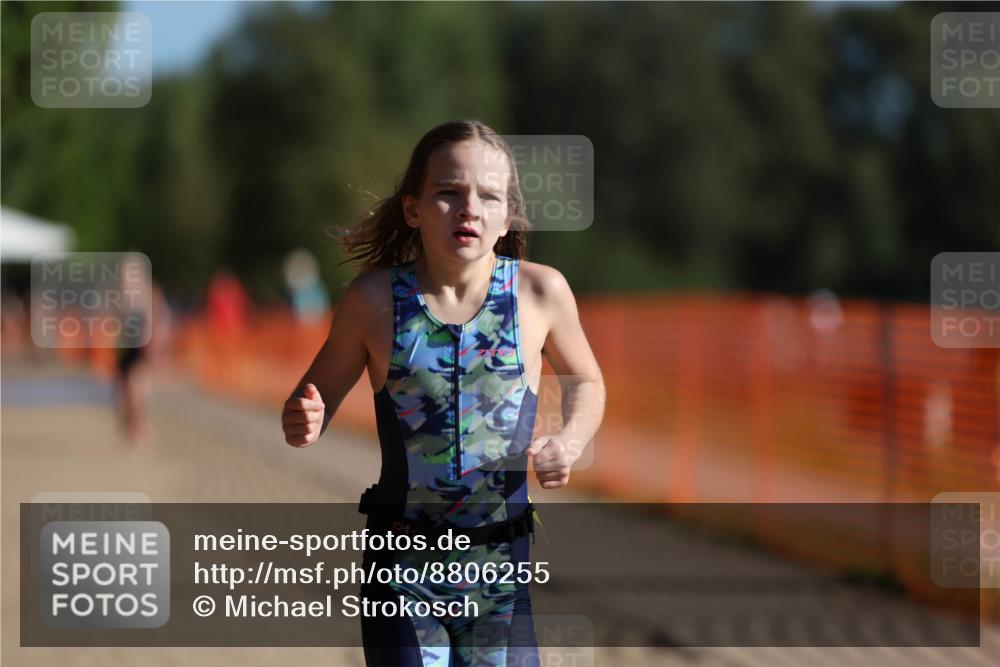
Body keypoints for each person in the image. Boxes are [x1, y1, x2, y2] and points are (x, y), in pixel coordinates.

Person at [282, 120, 605, 666]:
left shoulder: (539, 293)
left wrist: (569, 442)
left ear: (507, 218)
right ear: (413, 208)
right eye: (448, 193)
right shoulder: (374, 300)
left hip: (500, 572)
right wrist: (304, 415)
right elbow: (314, 396)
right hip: (403, 572)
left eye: (488, 196)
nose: (469, 208)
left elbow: (589, 383)